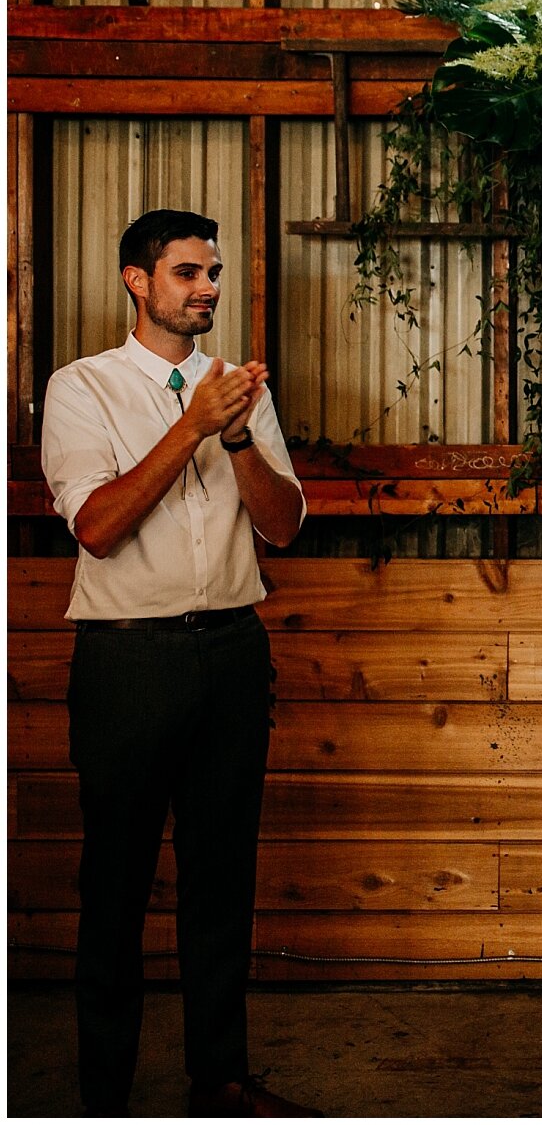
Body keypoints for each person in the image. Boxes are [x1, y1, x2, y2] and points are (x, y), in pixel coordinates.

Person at [39, 208, 312, 1118]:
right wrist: (193, 426)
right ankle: (105, 1094)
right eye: (188, 272)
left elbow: (280, 525)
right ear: (137, 281)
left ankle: (220, 1079)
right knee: (114, 885)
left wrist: (233, 434)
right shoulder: (81, 387)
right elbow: (98, 528)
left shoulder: (239, 392)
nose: (208, 288)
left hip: (232, 652)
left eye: (214, 272)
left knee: (221, 879)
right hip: (128, 663)